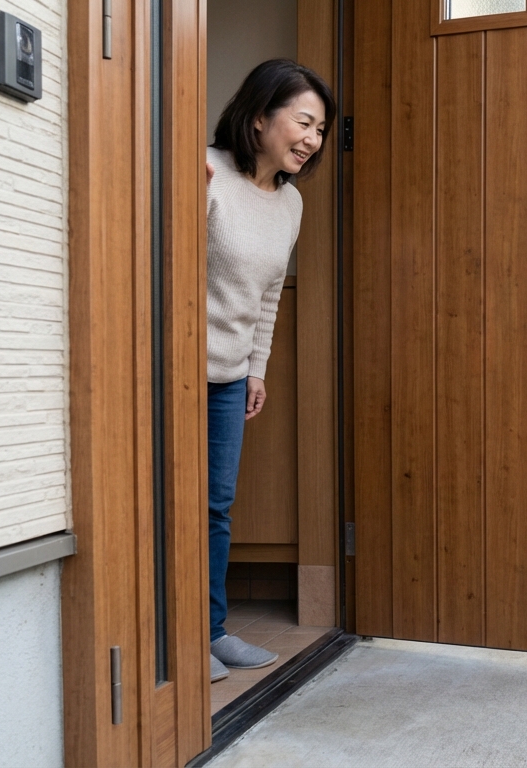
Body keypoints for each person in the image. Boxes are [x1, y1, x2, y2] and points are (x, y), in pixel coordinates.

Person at [203, 59, 335, 684]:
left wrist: (256, 370)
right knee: (171, 506)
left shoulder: (291, 204)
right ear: (259, 118)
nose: (311, 140)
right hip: (174, 370)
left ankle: (211, 630)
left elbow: (270, 294)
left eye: (320, 130)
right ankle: (174, 637)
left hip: (229, 376)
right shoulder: (205, 174)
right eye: (303, 122)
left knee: (215, 507)